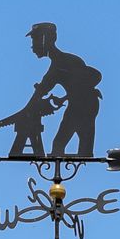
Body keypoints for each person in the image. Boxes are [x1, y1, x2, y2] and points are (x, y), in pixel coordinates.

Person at [26, 22, 102, 156]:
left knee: (59, 145)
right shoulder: (60, 63)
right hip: (82, 104)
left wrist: (28, 109)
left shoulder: (61, 64)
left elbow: (92, 78)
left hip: (84, 106)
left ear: (45, 40)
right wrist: (65, 98)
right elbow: (45, 87)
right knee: (67, 146)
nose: (33, 46)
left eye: (35, 40)